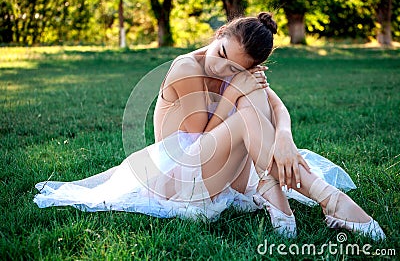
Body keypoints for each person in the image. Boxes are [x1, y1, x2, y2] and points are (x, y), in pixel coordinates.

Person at [34, 12, 385, 241]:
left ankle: (280, 195)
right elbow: (199, 134)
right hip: (179, 174)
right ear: (219, 35)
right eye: (221, 53)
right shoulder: (185, 67)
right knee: (249, 109)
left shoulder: (239, 72)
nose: (221, 67)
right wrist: (241, 87)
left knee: (256, 104)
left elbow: (276, 107)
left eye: (236, 67)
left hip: (222, 168)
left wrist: (284, 137)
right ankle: (324, 199)